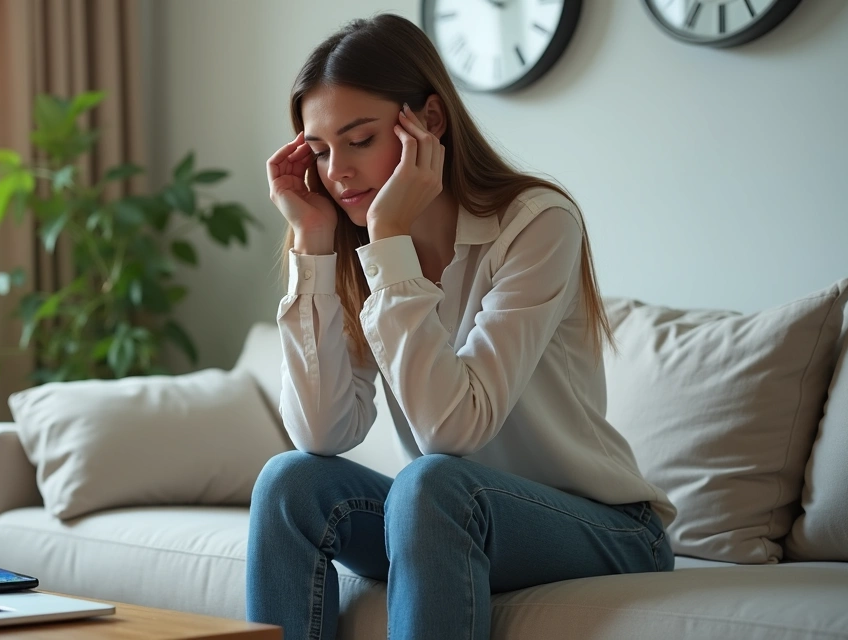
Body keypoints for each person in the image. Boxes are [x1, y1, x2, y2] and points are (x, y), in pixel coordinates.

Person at [247, 14, 675, 640]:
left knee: (433, 483)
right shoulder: (359, 247)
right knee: (289, 481)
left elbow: (456, 430)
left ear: (429, 122)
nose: (336, 172)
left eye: (360, 140)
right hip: (451, 515)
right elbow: (322, 432)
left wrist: (389, 241)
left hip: (603, 527)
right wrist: (312, 247)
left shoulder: (537, 223)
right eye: (319, 150)